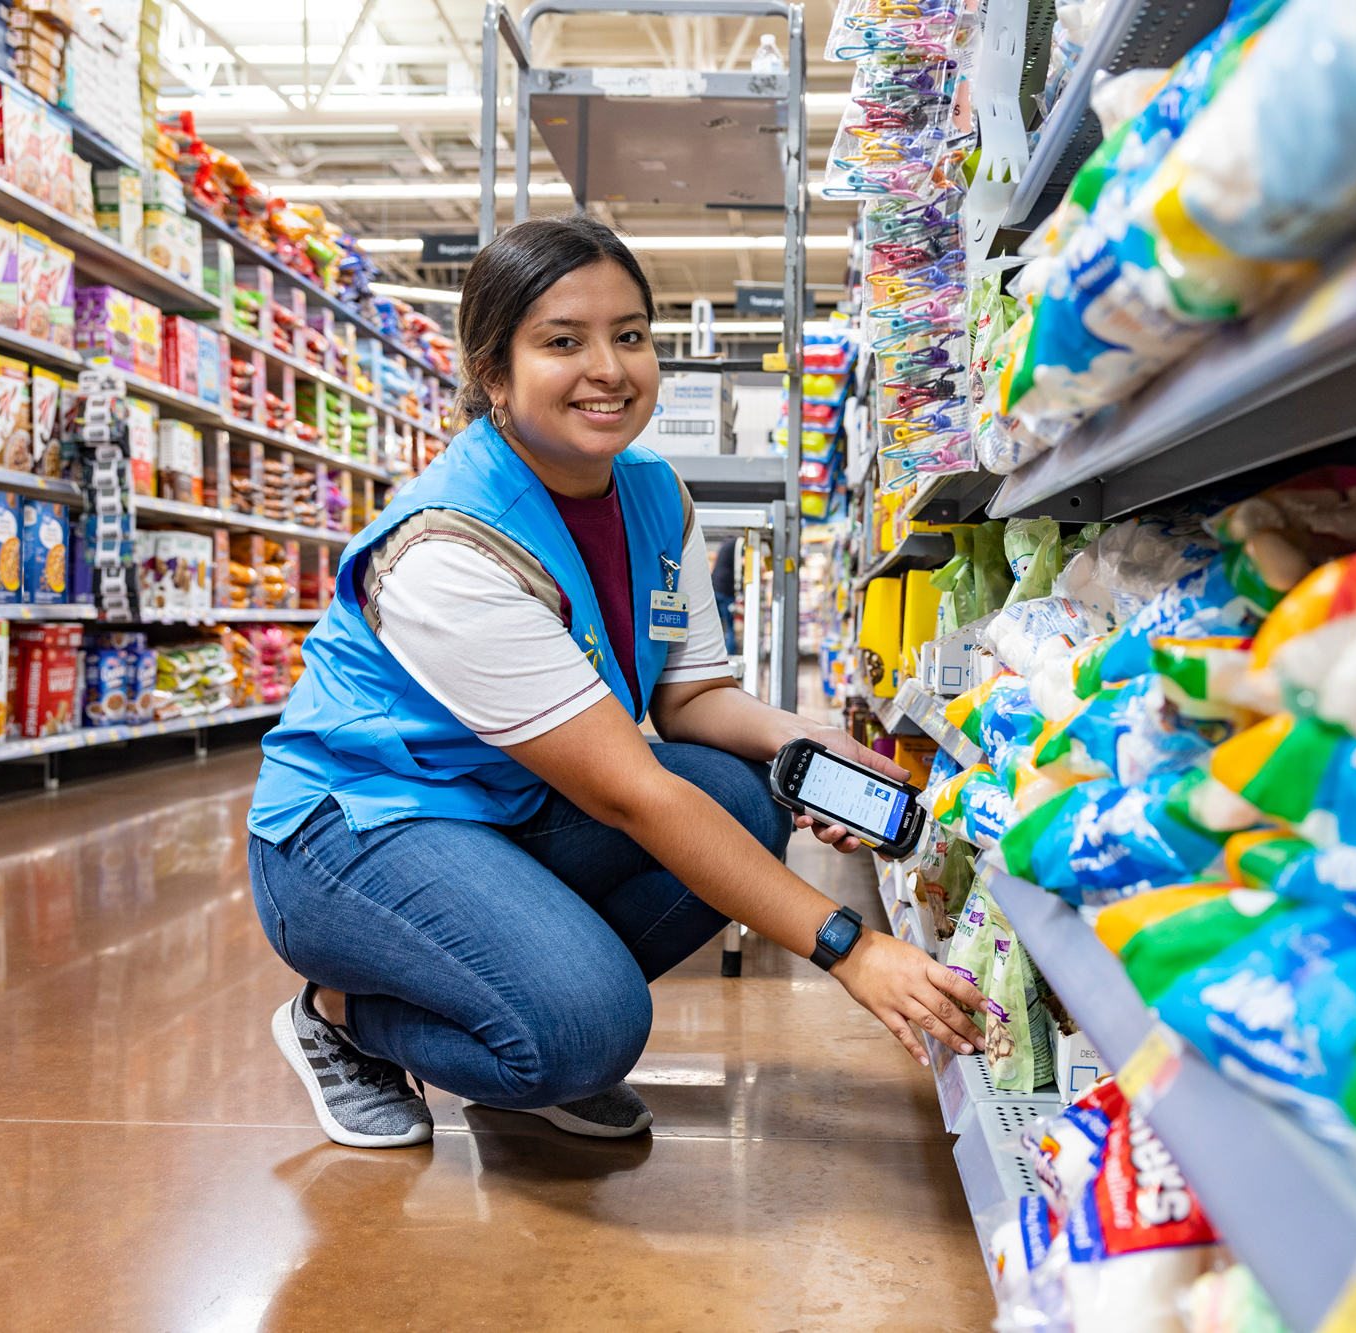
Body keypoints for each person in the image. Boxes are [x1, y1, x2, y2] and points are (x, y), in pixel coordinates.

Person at [247, 215, 985, 1149]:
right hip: (352, 833)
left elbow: (692, 700)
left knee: (743, 792)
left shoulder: (650, 492)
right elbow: (635, 791)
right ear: (492, 373)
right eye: (563, 341)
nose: (609, 368)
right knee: (590, 1029)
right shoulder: (448, 546)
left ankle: (531, 1004)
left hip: (502, 806)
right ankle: (345, 1015)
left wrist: (807, 741)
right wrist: (849, 945)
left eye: (630, 335)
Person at [710, 535, 739, 655]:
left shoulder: (724, 544)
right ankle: (729, 655)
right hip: (726, 590)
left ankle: (714, 654)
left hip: (714, 587)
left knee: (715, 625)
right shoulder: (738, 543)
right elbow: (743, 561)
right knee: (730, 626)